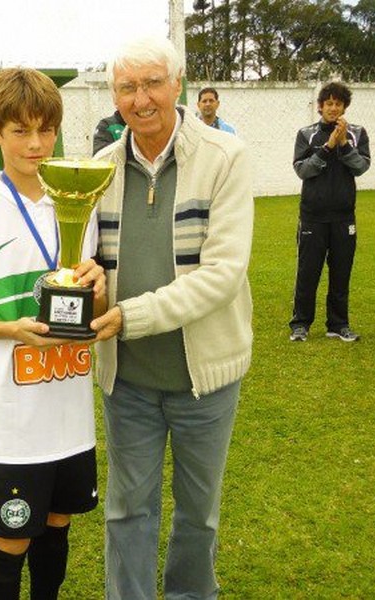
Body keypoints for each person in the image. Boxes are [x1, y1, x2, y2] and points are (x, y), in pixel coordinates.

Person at [91, 37, 254, 599]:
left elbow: (222, 275)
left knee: (198, 515)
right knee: (126, 511)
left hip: (203, 380)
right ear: (115, 96)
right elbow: (87, 262)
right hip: (127, 379)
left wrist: (128, 315)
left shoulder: (224, 157)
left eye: (152, 83)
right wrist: (85, 284)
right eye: (127, 87)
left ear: (178, 83)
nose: (141, 99)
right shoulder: (99, 168)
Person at [0, 67, 107, 600]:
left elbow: (95, 302)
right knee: (10, 541)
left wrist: (98, 287)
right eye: (20, 131)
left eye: (47, 131)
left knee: (58, 526)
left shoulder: (83, 197)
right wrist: (13, 329)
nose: (36, 145)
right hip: (12, 418)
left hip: (71, 411)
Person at [289, 82, 371, 343]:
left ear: (344, 106)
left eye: (338, 104)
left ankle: (338, 324)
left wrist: (344, 145)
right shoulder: (306, 134)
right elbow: (303, 170)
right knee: (307, 272)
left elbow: (361, 167)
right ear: (320, 107)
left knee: (341, 272)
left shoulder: (357, 133)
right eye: (329, 104)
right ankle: (300, 324)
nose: (333, 108)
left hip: (344, 217)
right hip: (313, 216)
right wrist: (327, 147)